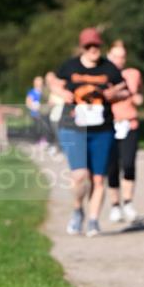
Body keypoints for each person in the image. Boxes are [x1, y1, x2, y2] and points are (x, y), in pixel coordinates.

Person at [47, 28, 128, 237]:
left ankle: (93, 220)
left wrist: (114, 94)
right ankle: (77, 210)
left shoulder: (108, 68)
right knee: (80, 175)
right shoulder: (70, 66)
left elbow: (126, 89)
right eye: (88, 46)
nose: (93, 50)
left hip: (102, 129)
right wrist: (60, 92)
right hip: (73, 127)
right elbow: (52, 80)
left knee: (98, 179)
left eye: (96, 46)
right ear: (82, 47)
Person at [106, 40, 144, 224]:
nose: (119, 60)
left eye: (122, 57)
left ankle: (128, 202)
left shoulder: (133, 74)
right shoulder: (103, 76)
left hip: (130, 124)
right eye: (115, 57)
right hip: (109, 124)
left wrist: (136, 96)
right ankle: (115, 205)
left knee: (128, 164)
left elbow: (139, 95)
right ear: (108, 57)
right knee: (112, 166)